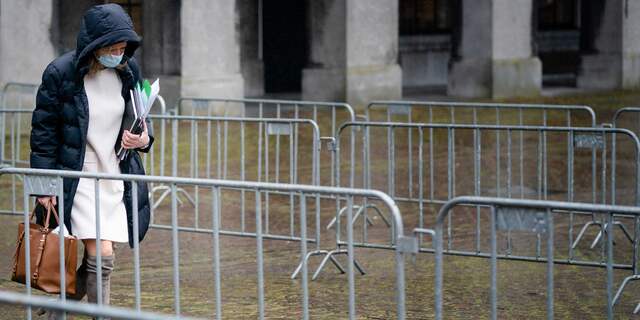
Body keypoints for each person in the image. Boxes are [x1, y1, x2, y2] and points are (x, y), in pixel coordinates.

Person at [30, 4, 154, 318]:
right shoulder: (60, 73)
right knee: (103, 255)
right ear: (95, 45)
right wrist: (44, 188)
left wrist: (142, 139)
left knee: (98, 258)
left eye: (123, 48)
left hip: (114, 173)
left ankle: (56, 307)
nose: (118, 54)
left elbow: (140, 117)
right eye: (112, 48)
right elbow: (43, 132)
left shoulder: (128, 70)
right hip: (77, 175)